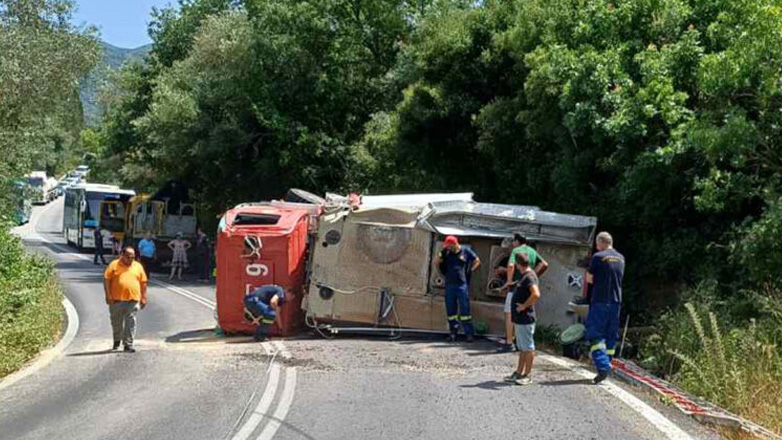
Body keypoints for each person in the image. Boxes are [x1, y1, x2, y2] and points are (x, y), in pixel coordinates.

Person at [585, 231, 625, 384]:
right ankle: (608, 363)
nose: (596, 246)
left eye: (597, 244)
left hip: (600, 301)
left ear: (601, 242)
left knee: (595, 334)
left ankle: (602, 367)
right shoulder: (621, 258)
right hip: (616, 302)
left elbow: (589, 279)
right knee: (610, 336)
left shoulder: (598, 257)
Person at [499, 234, 549, 352]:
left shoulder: (516, 250)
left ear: (517, 241)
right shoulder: (532, 251)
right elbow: (545, 264)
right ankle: (519, 340)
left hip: (516, 288)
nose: (512, 244)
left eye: (513, 241)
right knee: (522, 313)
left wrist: (508, 281)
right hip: (527, 288)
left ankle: (509, 342)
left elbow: (511, 265)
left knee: (509, 313)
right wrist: (533, 275)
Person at [504, 253, 541, 385]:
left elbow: (536, 294)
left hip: (526, 318)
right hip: (520, 319)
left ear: (518, 264)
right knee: (523, 348)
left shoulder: (529, 277)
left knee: (528, 347)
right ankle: (519, 372)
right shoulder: (524, 276)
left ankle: (527, 375)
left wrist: (524, 306)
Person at [436, 235, 481, 342]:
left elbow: (477, 260)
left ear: (454, 243)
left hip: (462, 285)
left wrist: (471, 270)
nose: (448, 247)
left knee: (465, 310)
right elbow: (437, 262)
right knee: (451, 311)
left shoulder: (466, 251)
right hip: (449, 285)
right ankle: (453, 332)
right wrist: (441, 255)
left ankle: (468, 334)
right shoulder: (446, 252)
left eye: (449, 245)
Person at [103, 246, 148, 353]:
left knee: (131, 321)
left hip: (133, 299)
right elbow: (106, 280)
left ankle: (128, 344)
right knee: (116, 322)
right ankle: (117, 340)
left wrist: (143, 297)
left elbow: (143, 282)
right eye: (128, 257)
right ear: (122, 255)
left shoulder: (138, 266)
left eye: (132, 257)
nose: (130, 259)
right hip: (116, 300)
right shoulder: (114, 264)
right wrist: (108, 295)